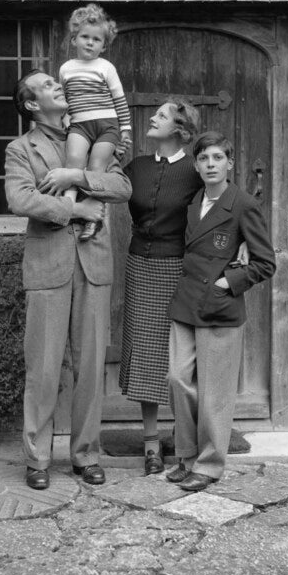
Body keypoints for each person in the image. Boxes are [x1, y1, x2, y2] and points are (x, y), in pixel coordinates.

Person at [4, 70, 132, 491]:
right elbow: (20, 198)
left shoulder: (94, 136)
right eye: (45, 85)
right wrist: (76, 210)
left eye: (55, 81)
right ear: (31, 104)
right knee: (42, 367)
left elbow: (121, 185)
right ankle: (38, 458)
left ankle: (85, 455)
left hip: (93, 266)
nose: (56, 85)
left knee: (92, 366)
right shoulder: (21, 148)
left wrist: (75, 178)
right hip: (47, 267)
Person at [166, 131, 276, 492]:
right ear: (196, 165)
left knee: (215, 391)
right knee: (178, 379)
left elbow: (265, 263)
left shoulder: (243, 204)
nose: (210, 164)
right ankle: (186, 456)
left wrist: (228, 283)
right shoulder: (194, 200)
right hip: (186, 304)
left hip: (219, 306)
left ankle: (209, 465)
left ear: (230, 163)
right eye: (203, 159)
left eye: (217, 158)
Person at [118, 99, 202, 475]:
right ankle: (151, 446)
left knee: (181, 360)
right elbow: (106, 189)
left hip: (179, 269)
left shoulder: (195, 169)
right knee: (146, 354)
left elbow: (226, 205)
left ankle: (187, 444)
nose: (152, 118)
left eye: (162, 116)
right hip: (139, 266)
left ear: (180, 129)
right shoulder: (135, 167)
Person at [58, 3, 133, 241]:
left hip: (106, 125)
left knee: (97, 168)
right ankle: (68, 202)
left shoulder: (106, 67)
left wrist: (125, 129)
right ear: (74, 40)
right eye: (85, 37)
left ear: (104, 45)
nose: (90, 43)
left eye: (97, 40)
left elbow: (119, 100)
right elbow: (65, 100)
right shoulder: (66, 69)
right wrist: (66, 119)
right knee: (74, 162)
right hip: (80, 125)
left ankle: (93, 216)